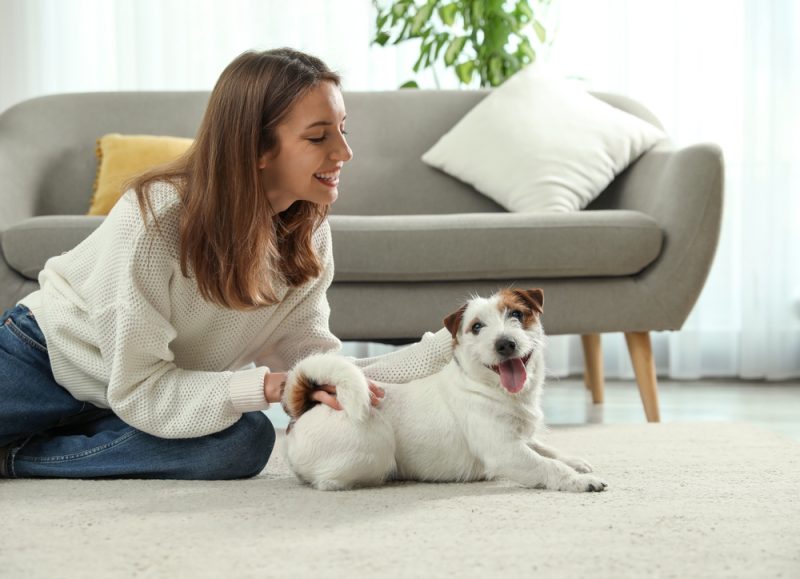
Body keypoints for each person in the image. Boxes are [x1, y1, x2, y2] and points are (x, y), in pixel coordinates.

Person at [0, 48, 452, 480]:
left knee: (244, 440)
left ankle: (20, 456)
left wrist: (445, 348)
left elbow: (316, 365)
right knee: (242, 413)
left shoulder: (308, 229)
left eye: (342, 129)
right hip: (45, 361)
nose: (343, 152)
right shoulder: (157, 218)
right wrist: (270, 386)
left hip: (137, 396)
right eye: (318, 136)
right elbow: (139, 386)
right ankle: (47, 436)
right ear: (256, 148)